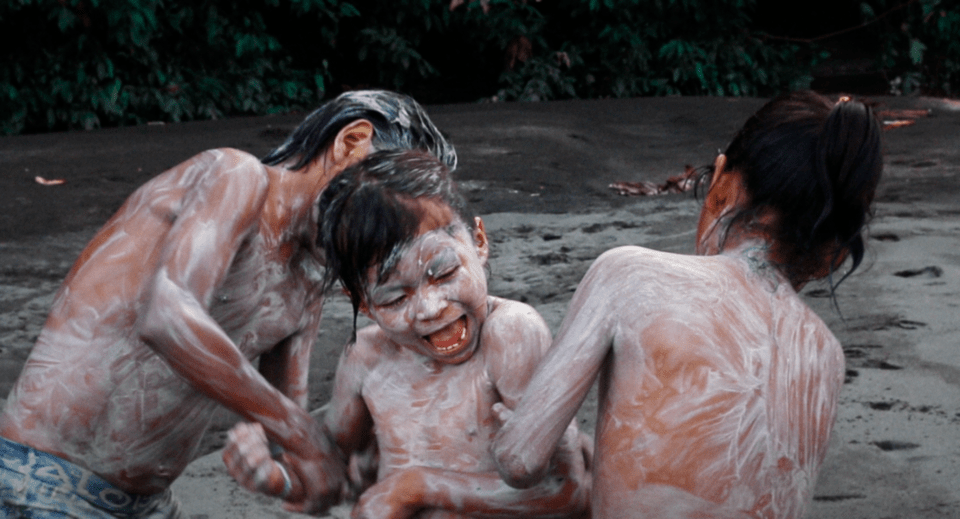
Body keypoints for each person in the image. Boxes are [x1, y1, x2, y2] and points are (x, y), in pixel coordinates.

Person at [0, 90, 456, 518]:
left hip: (146, 504)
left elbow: (286, 435)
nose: (375, 237)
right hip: (34, 481)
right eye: (384, 212)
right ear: (352, 142)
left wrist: (333, 469)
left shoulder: (310, 276)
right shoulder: (235, 178)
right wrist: (306, 438)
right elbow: (167, 317)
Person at [492, 91, 883, 518]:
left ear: (722, 183)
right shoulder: (826, 354)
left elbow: (520, 460)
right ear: (834, 252)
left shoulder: (629, 276)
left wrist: (563, 441)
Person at [222, 149, 591, 519]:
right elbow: (332, 476)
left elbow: (567, 491)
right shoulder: (366, 358)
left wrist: (413, 487)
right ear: (362, 303)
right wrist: (274, 477)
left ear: (478, 241)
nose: (430, 309)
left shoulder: (509, 335)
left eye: (444, 273)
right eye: (396, 298)